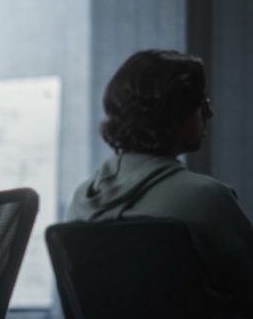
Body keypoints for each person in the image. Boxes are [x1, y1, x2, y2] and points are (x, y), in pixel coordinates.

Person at [67, 49, 253, 311]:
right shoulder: (207, 199)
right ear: (173, 115)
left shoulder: (80, 200)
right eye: (202, 102)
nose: (209, 113)